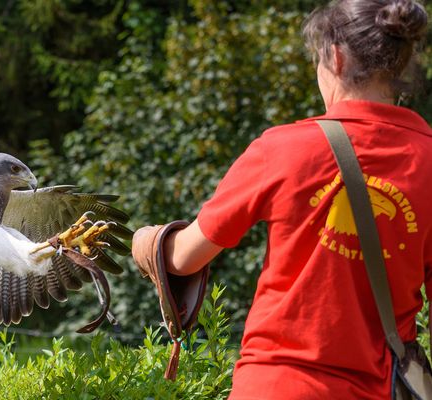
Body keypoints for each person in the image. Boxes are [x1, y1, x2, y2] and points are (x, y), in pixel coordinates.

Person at [131, 0, 431, 398]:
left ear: (336, 59)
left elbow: (184, 257)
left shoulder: (284, 149)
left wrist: (143, 241)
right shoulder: (426, 158)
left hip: (277, 384)